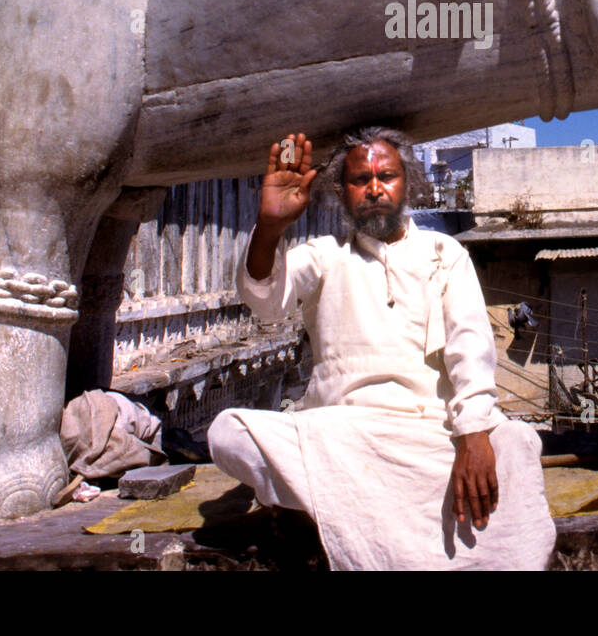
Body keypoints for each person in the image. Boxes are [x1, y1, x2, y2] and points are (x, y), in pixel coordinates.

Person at [208, 126, 557, 570]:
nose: (374, 188)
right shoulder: (326, 255)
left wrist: (473, 434)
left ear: (406, 182)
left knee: (517, 442)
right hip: (343, 436)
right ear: (341, 191)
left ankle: (319, 506)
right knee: (227, 433)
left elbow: (470, 344)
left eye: (386, 176)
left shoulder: (443, 252)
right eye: (360, 180)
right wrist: (271, 227)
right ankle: (328, 503)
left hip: (431, 436)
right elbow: (265, 299)